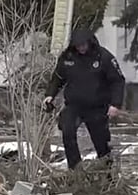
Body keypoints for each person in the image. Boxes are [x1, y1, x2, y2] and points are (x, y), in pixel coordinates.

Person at [44, 29, 125, 169]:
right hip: (74, 105)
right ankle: (75, 169)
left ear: (89, 42)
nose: (81, 48)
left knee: (101, 143)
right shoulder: (68, 57)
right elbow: (57, 78)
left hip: (97, 107)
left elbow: (117, 81)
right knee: (67, 131)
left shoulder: (103, 57)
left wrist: (115, 104)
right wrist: (50, 94)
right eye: (78, 45)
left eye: (83, 45)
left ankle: (107, 173)